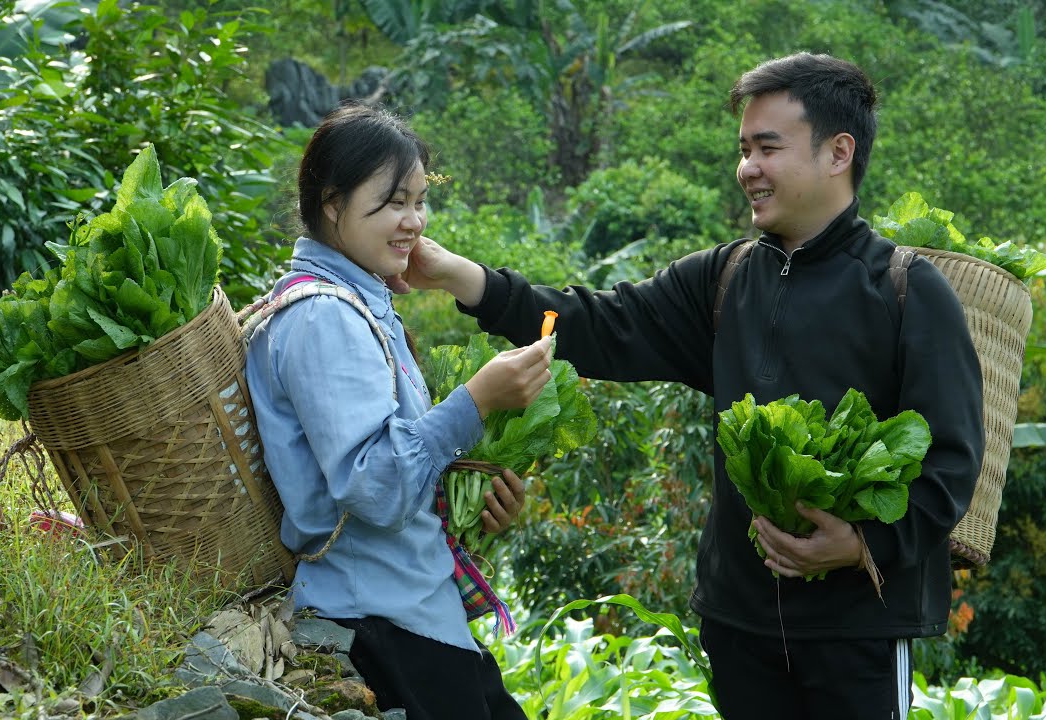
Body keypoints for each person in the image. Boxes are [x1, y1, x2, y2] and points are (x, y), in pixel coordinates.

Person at [394, 53, 985, 719]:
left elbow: (952, 464)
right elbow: (593, 326)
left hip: (858, 634)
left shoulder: (906, 292)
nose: (747, 169)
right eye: (742, 150)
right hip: (739, 626)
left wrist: (861, 544)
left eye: (768, 148)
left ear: (837, 152)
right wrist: (461, 277)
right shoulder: (723, 280)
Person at [244, 103, 552, 719]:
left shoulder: (351, 301)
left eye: (418, 200)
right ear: (332, 203)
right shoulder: (324, 317)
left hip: (416, 610)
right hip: (385, 624)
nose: (413, 221)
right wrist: (476, 400)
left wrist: (473, 491)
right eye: (391, 203)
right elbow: (375, 485)